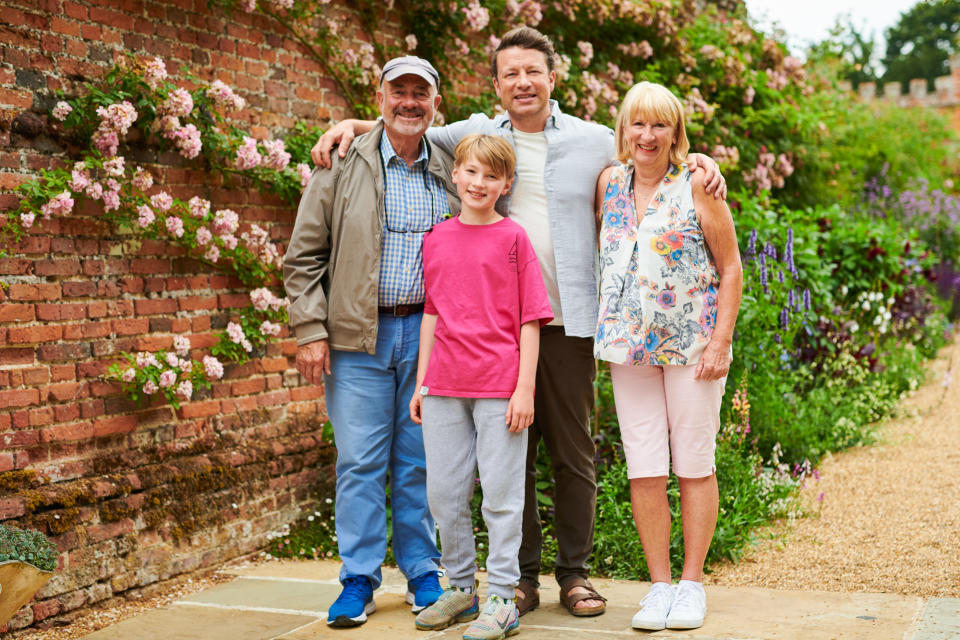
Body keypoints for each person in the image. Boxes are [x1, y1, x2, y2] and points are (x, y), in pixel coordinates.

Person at [311, 27, 727, 617]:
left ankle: (575, 575)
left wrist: (705, 164)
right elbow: (408, 125)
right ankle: (522, 579)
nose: (523, 82)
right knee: (513, 455)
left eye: (533, 71)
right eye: (511, 74)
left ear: (552, 77)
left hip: (573, 319)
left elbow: (651, 159)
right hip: (502, 329)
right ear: (498, 84)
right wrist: (351, 128)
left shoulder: (590, 140)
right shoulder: (473, 136)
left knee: (573, 452)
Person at [283, 56, 460, 628]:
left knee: (419, 461)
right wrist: (310, 331)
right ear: (379, 97)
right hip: (358, 338)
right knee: (359, 461)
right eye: (398, 91)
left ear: (437, 103)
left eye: (421, 93)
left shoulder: (456, 164)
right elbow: (303, 257)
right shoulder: (340, 164)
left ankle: (422, 571)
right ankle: (358, 578)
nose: (410, 102)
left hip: (432, 338)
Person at [593, 81, 742, 631]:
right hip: (627, 350)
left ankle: (692, 585)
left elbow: (731, 268)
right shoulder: (608, 184)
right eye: (638, 123)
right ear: (623, 129)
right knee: (645, 468)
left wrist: (721, 342)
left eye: (660, 125)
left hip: (692, 349)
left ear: (676, 132)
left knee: (694, 465)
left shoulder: (698, 184)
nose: (647, 135)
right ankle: (658, 586)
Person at [409, 134, 553, 640]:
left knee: (501, 495)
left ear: (506, 185)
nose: (479, 183)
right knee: (444, 493)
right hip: (445, 385)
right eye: (472, 172)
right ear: (456, 175)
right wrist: (422, 382)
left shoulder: (514, 239)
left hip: (499, 386)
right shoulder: (437, 238)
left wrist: (525, 389)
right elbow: (432, 313)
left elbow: (530, 320)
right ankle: (461, 588)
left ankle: (502, 597)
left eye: (492, 176)